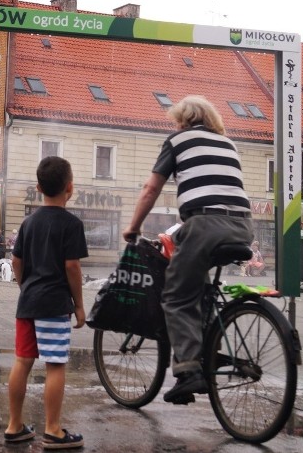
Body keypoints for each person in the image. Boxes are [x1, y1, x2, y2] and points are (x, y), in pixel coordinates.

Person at [122, 95, 253, 405]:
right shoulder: (227, 143)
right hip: (243, 226)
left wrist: (133, 227)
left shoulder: (178, 139)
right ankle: (206, 347)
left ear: (182, 120)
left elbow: (151, 189)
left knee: (175, 297)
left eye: (176, 121)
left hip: (205, 225)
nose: (176, 125)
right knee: (196, 284)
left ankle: (189, 372)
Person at [5, 156, 87, 449]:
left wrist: (25, 286)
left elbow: (16, 261)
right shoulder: (72, 224)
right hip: (54, 304)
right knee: (55, 365)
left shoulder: (29, 222)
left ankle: (14, 425)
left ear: (38, 187)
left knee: (22, 362)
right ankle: (53, 429)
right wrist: (79, 305)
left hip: (28, 303)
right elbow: (72, 267)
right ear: (70, 187)